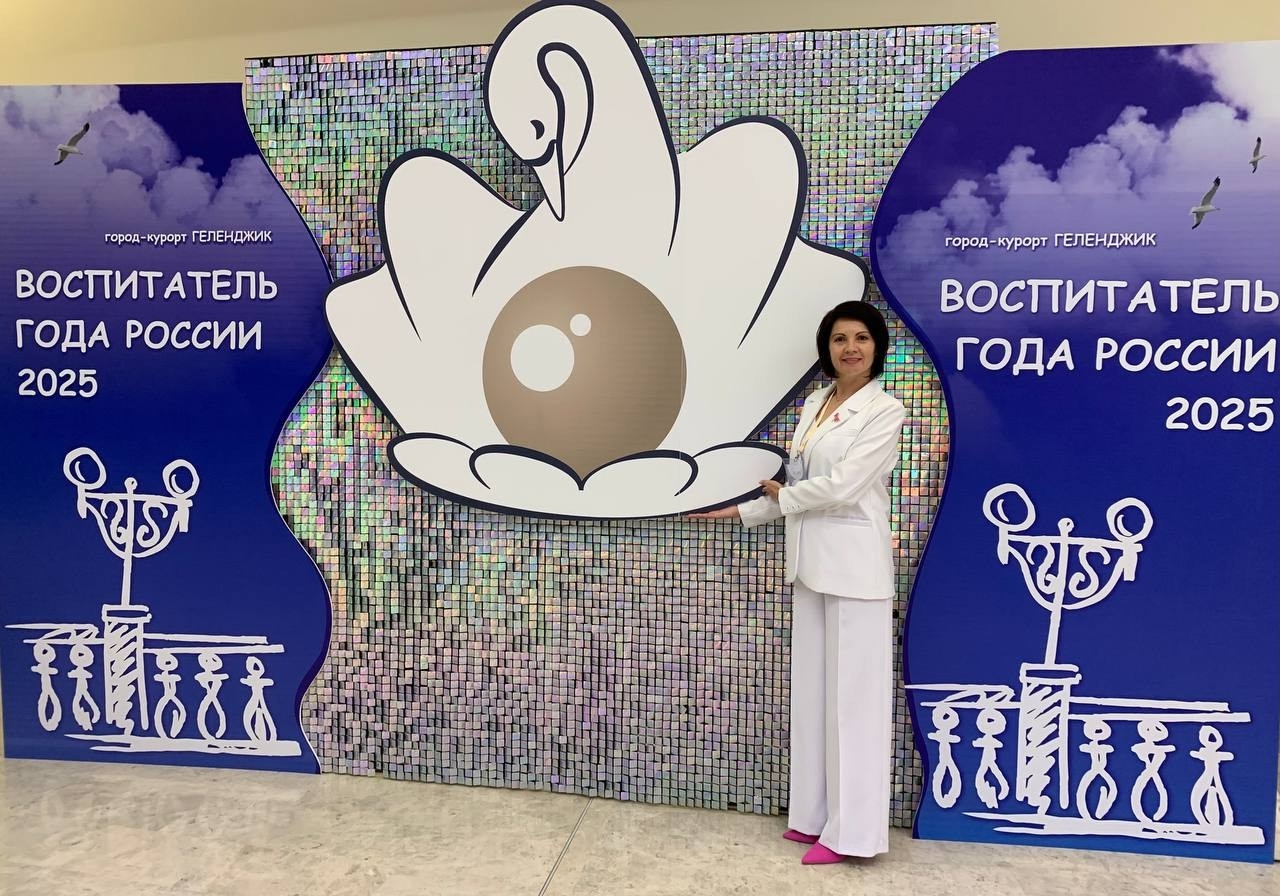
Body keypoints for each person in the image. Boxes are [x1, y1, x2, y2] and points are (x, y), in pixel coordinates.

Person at [691, 300, 905, 865]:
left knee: (854, 705)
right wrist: (737, 511)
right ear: (826, 348)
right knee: (814, 696)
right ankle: (812, 816)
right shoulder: (816, 403)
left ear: (877, 347)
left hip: (855, 570)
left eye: (861, 338)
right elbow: (794, 483)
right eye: (840, 339)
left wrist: (782, 497)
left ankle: (853, 835)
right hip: (809, 565)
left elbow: (842, 487)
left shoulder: (886, 410)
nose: (850, 348)